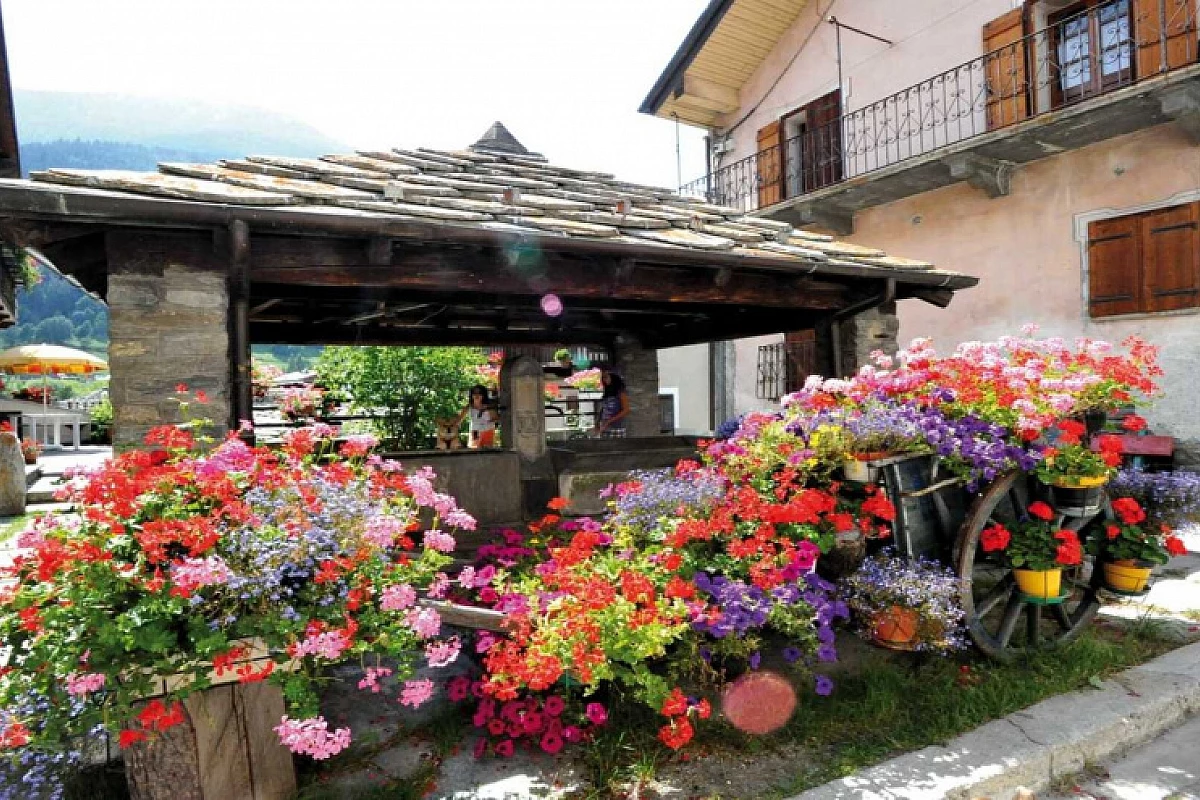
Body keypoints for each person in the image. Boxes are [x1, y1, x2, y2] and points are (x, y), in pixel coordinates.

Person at [457, 384, 498, 448]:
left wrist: (486, 417)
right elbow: (458, 420)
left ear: (483, 395)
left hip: (487, 431)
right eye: (474, 393)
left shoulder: (489, 406)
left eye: (480, 393)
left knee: (487, 452)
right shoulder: (469, 406)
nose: (477, 395)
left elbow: (496, 418)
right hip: (475, 432)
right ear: (471, 395)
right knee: (474, 451)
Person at [594, 370, 630, 438]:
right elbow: (603, 408)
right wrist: (597, 422)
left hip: (616, 428)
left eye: (606, 377)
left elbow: (626, 410)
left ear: (613, 377)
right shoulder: (607, 393)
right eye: (603, 378)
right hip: (604, 427)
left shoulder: (621, 392)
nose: (604, 380)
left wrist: (609, 421)